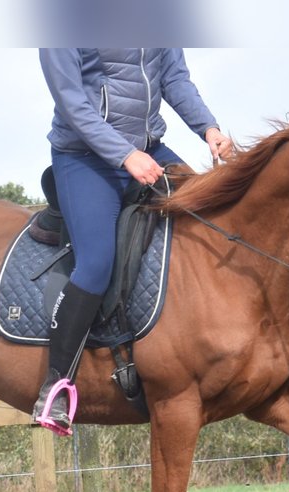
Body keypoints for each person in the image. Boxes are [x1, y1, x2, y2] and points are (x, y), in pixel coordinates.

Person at [33, 48, 233, 435]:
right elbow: (72, 102)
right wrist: (126, 155)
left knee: (208, 218)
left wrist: (208, 128)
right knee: (96, 263)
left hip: (149, 149)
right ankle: (56, 387)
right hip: (85, 158)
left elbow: (174, 79)